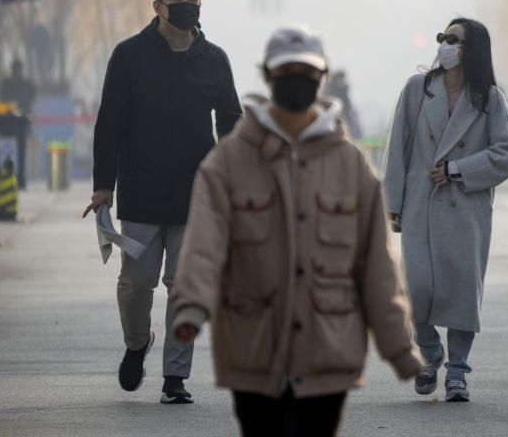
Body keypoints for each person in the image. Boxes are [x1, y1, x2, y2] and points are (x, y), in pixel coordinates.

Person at [170, 27, 419, 437]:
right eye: (288, 71)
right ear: (268, 76)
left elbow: (377, 265)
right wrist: (192, 307)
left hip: (329, 349)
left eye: (307, 71)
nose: (297, 80)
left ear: (321, 78)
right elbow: (204, 245)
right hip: (252, 346)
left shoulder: (350, 164)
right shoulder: (230, 161)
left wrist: (398, 347)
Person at [82, 0, 242, 404]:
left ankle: (176, 377)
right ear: (157, 6)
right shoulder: (130, 55)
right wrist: (103, 186)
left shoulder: (214, 59)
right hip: (141, 189)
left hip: (197, 194)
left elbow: (230, 120)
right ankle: (138, 342)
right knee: (137, 284)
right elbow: (109, 123)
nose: (187, 5)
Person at [383, 18, 508, 402]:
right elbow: (398, 148)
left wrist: (459, 169)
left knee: (461, 291)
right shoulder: (418, 89)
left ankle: (457, 371)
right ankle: (430, 354)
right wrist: (392, 205)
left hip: (466, 209)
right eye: (443, 38)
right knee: (417, 290)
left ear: (472, 48)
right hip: (419, 206)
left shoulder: (489, 98)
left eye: (455, 40)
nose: (445, 44)